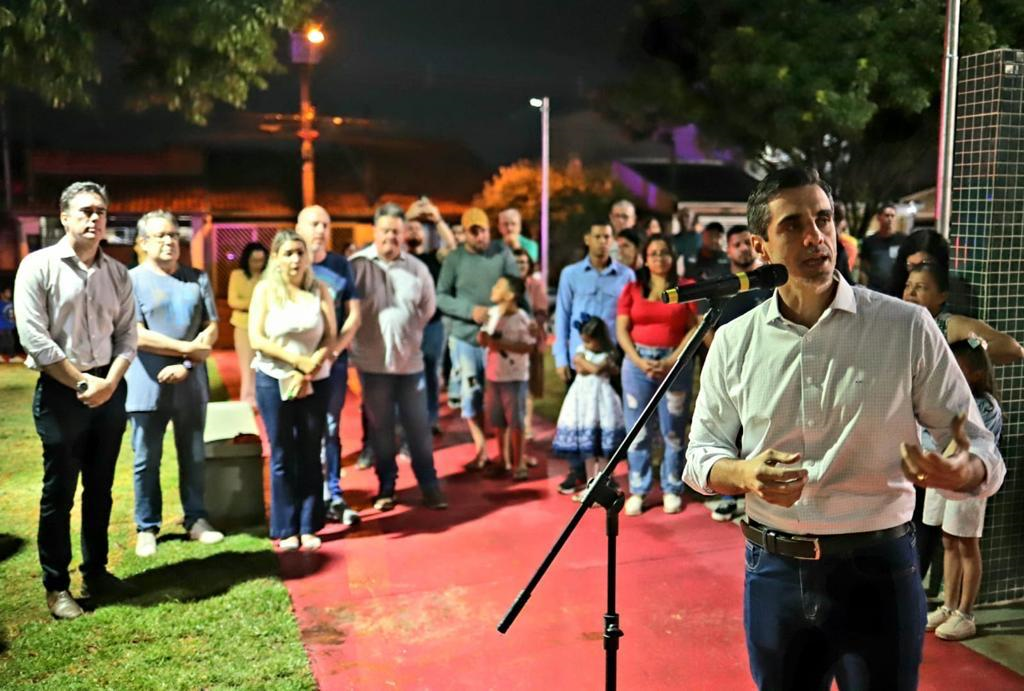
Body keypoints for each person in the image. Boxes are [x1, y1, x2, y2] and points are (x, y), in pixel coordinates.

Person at [684, 167, 1004, 690]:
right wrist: (743, 473)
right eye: (793, 226)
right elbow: (700, 456)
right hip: (775, 570)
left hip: (880, 568)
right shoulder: (734, 342)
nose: (815, 237)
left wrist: (962, 471)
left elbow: (979, 447)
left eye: (824, 219)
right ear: (761, 247)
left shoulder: (905, 327)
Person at [14, 181, 138, 619]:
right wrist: (80, 382)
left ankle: (97, 571)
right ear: (63, 217)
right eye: (85, 211)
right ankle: (57, 586)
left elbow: (127, 336)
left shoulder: (118, 273)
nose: (94, 219)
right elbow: (34, 337)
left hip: (109, 385)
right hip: (61, 391)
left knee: (100, 488)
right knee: (59, 492)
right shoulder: (38, 266)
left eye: (101, 212)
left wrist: (109, 382)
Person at [126, 211, 223, 558]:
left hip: (191, 382)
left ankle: (196, 518)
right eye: (160, 236)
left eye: (173, 235)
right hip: (146, 384)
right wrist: (187, 350)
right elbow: (135, 334)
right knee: (146, 458)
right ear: (143, 243)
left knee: (194, 454)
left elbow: (212, 326)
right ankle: (146, 526)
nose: (169, 242)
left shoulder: (196, 279)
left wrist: (187, 363)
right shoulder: (131, 280)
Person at [350, 203, 447, 511]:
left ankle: (429, 486)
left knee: (418, 429)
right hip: (372, 365)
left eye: (396, 230)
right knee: (381, 430)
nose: (391, 236)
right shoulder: (356, 266)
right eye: (385, 230)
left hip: (410, 365)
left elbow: (427, 309)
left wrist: (408, 331)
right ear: (375, 232)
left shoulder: (417, 268)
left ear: (404, 233)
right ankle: (386, 487)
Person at [249, 230, 336, 551]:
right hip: (274, 379)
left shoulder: (319, 290)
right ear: (276, 258)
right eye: (288, 253)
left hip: (315, 379)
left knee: (311, 450)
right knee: (283, 452)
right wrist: (296, 361)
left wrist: (310, 366)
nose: (296, 259)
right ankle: (286, 527)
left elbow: (331, 336)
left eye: (300, 252)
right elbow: (257, 338)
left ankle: (309, 524)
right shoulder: (265, 291)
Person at [924, 338, 1003, 641]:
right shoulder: (944, 399)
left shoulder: (984, 405)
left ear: (976, 374)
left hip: (968, 480)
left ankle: (965, 612)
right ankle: (948, 604)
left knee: (967, 543)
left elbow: (980, 445)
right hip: (942, 475)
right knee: (948, 541)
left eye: (958, 369)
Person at [616, 234, 699, 516]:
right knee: (637, 432)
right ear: (645, 258)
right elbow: (621, 330)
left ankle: (671, 487)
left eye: (664, 252)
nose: (659, 258)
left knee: (673, 430)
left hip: (674, 365)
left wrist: (672, 359)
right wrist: (639, 360)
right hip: (637, 365)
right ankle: (638, 488)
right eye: (653, 253)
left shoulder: (687, 288)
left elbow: (696, 326)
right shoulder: (633, 289)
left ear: (672, 256)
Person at [553, 223, 634, 494]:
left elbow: (629, 318)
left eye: (607, 237)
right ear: (587, 239)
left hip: (611, 361)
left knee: (608, 418)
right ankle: (578, 472)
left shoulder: (626, 275)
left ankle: (606, 475)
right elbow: (562, 316)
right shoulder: (571, 274)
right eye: (597, 236)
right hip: (581, 361)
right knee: (580, 418)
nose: (602, 242)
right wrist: (560, 358)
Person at [294, 205, 362, 526]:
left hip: (332, 364)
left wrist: (333, 351)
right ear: (298, 226)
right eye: (314, 223)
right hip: (296, 365)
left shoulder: (340, 266)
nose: (320, 229)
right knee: (302, 429)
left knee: (331, 428)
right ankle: (305, 494)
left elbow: (354, 315)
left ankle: (333, 492)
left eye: (325, 224)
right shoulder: (290, 264)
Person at [436, 207, 518, 468]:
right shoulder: (454, 259)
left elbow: (517, 287)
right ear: (464, 234)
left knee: (502, 396)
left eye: (483, 230)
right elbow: (441, 296)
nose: (480, 236)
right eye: (474, 232)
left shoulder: (502, 254)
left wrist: (505, 315)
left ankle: (507, 454)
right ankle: (481, 449)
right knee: (471, 395)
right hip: (466, 338)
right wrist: (471, 311)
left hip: (498, 339)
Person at [707, 225, 772, 523]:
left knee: (758, 434)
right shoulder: (720, 286)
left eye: (748, 242)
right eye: (737, 244)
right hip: (732, 373)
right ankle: (727, 497)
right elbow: (709, 329)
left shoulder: (769, 284)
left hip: (766, 372)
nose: (744, 248)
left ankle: (759, 494)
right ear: (727, 250)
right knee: (729, 434)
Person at [551, 317, 625, 490]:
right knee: (588, 448)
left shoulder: (608, 354)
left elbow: (606, 369)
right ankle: (590, 483)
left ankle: (606, 482)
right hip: (583, 404)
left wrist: (595, 365)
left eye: (589, 342)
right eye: (584, 341)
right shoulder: (581, 351)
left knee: (603, 446)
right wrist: (599, 365)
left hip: (602, 404)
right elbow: (590, 367)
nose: (586, 345)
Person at [903, 263, 1024, 364]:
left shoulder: (949, 326)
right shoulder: (899, 321)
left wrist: (973, 349)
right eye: (908, 286)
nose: (911, 292)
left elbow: (1015, 349)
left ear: (942, 296)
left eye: (921, 287)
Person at [478, 275, 536, 480]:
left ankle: (519, 462)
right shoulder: (491, 313)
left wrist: (502, 345)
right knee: (498, 421)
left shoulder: (521, 318)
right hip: (494, 375)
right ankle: (503, 459)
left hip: (514, 377)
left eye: (499, 286)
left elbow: (528, 346)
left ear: (511, 295)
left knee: (516, 421)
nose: (493, 288)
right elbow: (483, 339)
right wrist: (483, 337)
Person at [404, 211, 445, 434]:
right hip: (407, 327)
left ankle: (431, 418)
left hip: (432, 326)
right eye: (409, 228)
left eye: (417, 228)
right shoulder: (399, 260)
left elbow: (453, 245)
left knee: (431, 372)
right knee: (408, 375)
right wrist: (407, 215)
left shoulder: (434, 258)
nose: (413, 232)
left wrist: (437, 219)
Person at [513, 248, 548, 442]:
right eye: (517, 262)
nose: (520, 266)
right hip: (510, 342)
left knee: (528, 385)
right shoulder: (507, 283)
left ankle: (526, 425)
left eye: (523, 263)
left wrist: (537, 324)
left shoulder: (534, 284)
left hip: (531, 340)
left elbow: (542, 310)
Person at [227, 242, 268, 406]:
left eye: (261, 261)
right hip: (243, 326)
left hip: (265, 327)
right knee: (247, 366)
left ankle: (263, 399)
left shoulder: (268, 277)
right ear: (247, 260)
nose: (258, 265)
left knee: (264, 365)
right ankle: (248, 400)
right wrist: (258, 304)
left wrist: (249, 303)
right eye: (254, 261)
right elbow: (233, 301)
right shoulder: (237, 275)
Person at [859, 204, 904, 292]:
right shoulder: (869, 242)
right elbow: (863, 268)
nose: (890, 219)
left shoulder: (903, 240)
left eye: (892, 216)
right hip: (875, 290)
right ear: (879, 218)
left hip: (896, 291)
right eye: (887, 215)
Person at [0, 285, 16, 362]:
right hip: (2, 326)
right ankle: (8, 356)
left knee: (10, 342)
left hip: (9, 326)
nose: (9, 293)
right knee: (3, 342)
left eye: (10, 292)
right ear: (2, 294)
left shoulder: (12, 303)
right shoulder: (0, 304)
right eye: (7, 292)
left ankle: (11, 357)